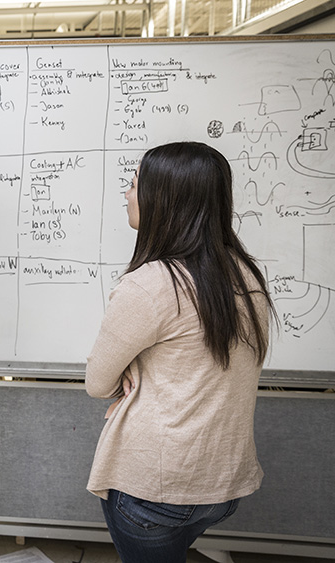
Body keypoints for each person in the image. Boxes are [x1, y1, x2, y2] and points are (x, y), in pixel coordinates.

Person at [85, 141, 274, 563]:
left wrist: (133, 372)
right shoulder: (247, 276)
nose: (127, 194)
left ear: (162, 200)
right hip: (222, 486)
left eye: (133, 184)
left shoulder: (151, 284)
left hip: (156, 489)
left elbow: (98, 383)